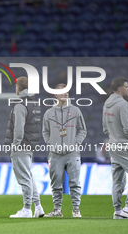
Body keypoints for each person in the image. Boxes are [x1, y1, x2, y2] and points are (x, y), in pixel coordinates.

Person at [42, 83, 87, 217]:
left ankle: (76, 209)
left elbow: (83, 130)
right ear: (55, 94)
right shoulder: (49, 113)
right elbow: (45, 132)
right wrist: (51, 143)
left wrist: (76, 143)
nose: (66, 93)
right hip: (55, 154)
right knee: (56, 184)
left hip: (72, 153)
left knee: (75, 183)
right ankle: (57, 210)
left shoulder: (76, 110)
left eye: (67, 91)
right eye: (62, 91)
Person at [4, 76, 45, 218]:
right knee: (29, 176)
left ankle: (27, 209)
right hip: (30, 144)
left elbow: (19, 129)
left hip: (21, 145)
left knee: (24, 179)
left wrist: (15, 145)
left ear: (18, 87)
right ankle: (38, 206)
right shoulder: (33, 103)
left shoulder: (20, 105)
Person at [103, 77, 128, 219]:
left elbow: (105, 129)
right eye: (127, 87)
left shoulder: (106, 103)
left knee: (117, 180)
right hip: (124, 145)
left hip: (112, 144)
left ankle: (118, 211)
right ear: (120, 89)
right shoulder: (123, 104)